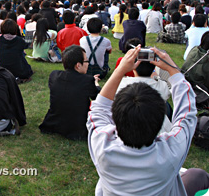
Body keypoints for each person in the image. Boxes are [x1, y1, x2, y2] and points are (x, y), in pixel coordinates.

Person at [87, 46, 209, 196]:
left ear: (115, 119)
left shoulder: (102, 147)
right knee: (198, 175)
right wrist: (173, 70)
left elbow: (98, 108)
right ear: (160, 122)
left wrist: (120, 70)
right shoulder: (171, 151)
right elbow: (187, 112)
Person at [39, 45, 101, 140]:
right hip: (77, 128)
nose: (88, 64)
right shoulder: (87, 80)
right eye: (86, 61)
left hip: (53, 123)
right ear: (78, 65)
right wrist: (96, 83)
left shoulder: (54, 75)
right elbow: (98, 97)